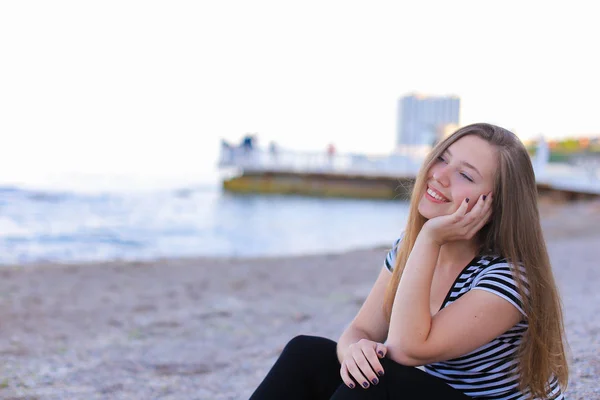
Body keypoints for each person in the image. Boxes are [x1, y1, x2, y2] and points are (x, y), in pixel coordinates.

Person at [249, 123, 568, 399]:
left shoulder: (509, 278)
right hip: (432, 392)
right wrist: (354, 352)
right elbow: (361, 328)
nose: (439, 175)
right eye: (442, 158)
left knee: (376, 381)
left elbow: (405, 349)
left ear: (495, 203)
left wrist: (431, 237)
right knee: (305, 353)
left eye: (464, 175)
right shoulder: (411, 247)